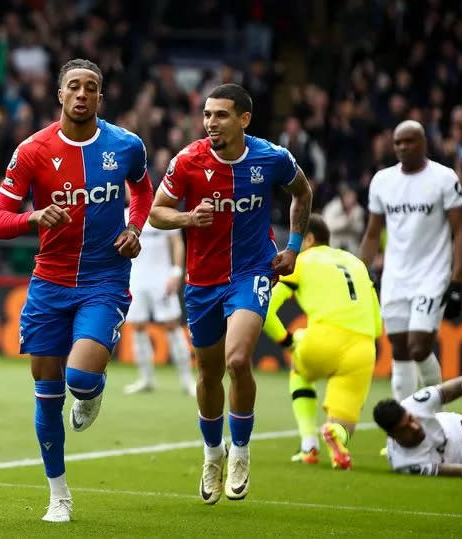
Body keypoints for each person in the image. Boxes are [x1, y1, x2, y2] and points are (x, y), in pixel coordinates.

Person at [0, 58, 152, 523]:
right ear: (60, 95)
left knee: (79, 380)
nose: (82, 94)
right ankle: (58, 494)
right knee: (47, 393)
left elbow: (142, 192)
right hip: (50, 283)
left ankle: (92, 390)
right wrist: (33, 217)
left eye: (91, 88)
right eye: (73, 87)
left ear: (101, 97)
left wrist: (135, 228)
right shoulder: (33, 150)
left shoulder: (126, 145)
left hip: (104, 279)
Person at [148, 83, 312, 504]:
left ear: (244, 119)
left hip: (252, 271)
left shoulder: (270, 157)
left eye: (220, 115)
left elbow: (302, 191)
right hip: (202, 279)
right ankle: (212, 453)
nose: (210, 123)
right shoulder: (188, 160)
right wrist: (187, 217)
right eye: (206, 114)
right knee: (208, 373)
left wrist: (293, 247)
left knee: (237, 361)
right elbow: (157, 211)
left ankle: (239, 451)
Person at [360, 120, 462, 402]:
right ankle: (404, 425)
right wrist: (362, 271)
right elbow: (373, 233)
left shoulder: (444, 178)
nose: (402, 147)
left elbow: (461, 230)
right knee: (400, 350)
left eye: (409, 141)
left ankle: (436, 413)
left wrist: (456, 280)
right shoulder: (382, 181)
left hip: (432, 276)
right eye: (398, 142)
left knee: (419, 347)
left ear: (423, 143)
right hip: (395, 277)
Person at [263, 215, 382, 470]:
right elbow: (378, 323)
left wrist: (287, 342)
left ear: (308, 239)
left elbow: (265, 308)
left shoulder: (301, 261)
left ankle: (309, 444)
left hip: (323, 339)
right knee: (344, 424)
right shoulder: (357, 263)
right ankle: (335, 434)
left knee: (299, 369)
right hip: (363, 347)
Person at [122, 207, 195, 396]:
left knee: (171, 325)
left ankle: (188, 381)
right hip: (135, 278)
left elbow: (177, 243)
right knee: (137, 326)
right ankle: (146, 379)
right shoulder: (123, 215)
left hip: (161, 278)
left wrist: (176, 272)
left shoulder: (162, 213)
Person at [373, 374, 462, 477]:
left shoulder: (415, 403)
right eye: (405, 429)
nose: (415, 427)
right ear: (392, 436)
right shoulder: (407, 464)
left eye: (411, 418)